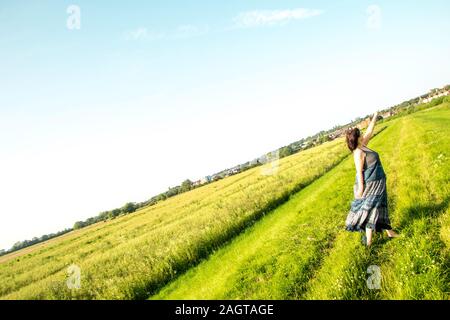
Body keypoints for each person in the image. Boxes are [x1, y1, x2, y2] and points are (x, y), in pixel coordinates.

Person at [344, 111, 399, 246]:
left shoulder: (363, 144)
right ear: (356, 138)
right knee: (372, 210)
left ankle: (388, 233)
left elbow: (370, 129)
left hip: (378, 182)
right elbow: (359, 172)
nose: (363, 134)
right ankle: (371, 241)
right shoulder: (358, 152)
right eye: (360, 134)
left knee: (378, 208)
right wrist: (361, 190)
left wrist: (375, 116)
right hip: (370, 185)